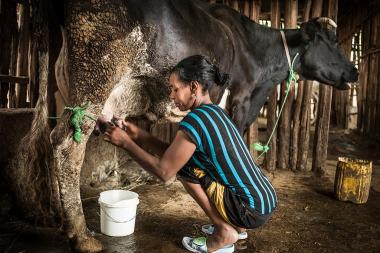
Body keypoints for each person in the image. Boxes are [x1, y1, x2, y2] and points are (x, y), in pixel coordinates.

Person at [103, 55, 277, 253]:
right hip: (263, 201)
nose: (171, 95)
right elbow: (174, 154)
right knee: (188, 162)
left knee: (186, 169)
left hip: (249, 210)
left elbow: (165, 171)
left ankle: (224, 230)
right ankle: (238, 227)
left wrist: (125, 143)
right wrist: (139, 135)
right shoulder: (215, 113)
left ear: (194, 87)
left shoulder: (195, 120)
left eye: (175, 89)